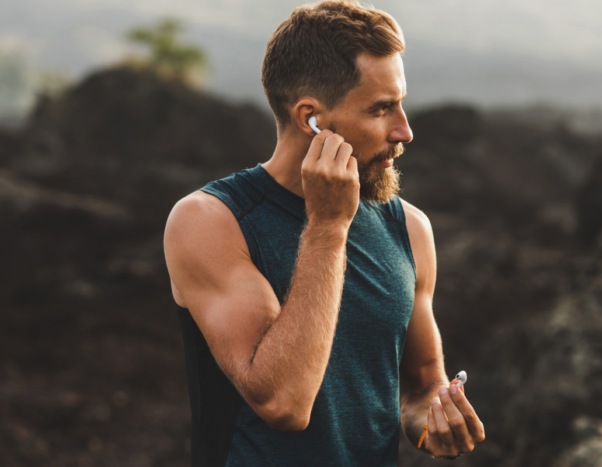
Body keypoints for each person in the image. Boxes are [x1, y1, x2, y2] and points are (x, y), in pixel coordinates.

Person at [163, 1, 485, 465]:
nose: (405, 131)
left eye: (402, 104)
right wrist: (328, 226)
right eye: (381, 109)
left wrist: (434, 423)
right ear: (311, 119)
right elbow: (283, 403)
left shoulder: (409, 227)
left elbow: (419, 387)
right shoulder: (210, 222)